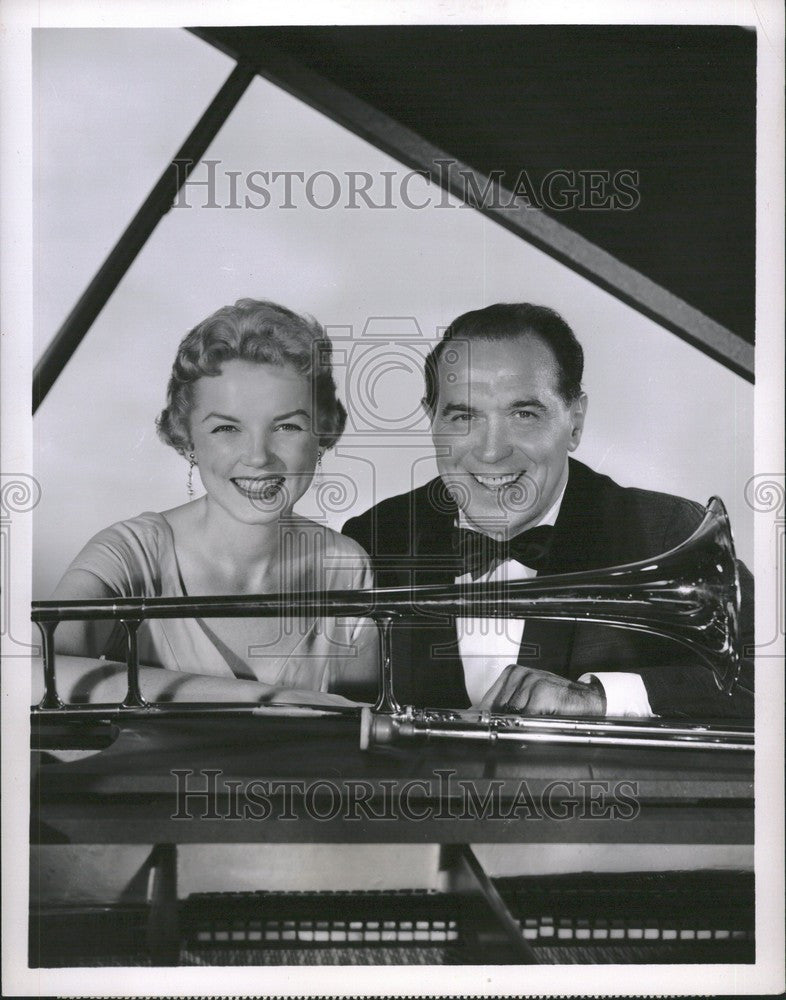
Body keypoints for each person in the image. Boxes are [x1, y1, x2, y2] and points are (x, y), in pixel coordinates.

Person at [343, 303, 753, 719]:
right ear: (432, 420)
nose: (491, 451)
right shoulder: (376, 537)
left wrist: (599, 698)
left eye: (524, 414)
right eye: (464, 416)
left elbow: (768, 677)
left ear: (575, 423)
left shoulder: (666, 534)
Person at [40, 299, 378, 707]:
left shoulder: (346, 566)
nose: (258, 456)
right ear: (186, 438)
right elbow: (37, 674)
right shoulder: (131, 552)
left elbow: (361, 731)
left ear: (323, 432)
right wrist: (271, 701)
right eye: (226, 428)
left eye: (287, 425)